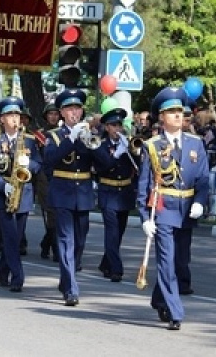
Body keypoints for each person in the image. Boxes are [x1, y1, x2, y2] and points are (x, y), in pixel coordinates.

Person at [137, 87, 209, 330]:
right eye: (172, 112)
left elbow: (203, 180)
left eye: (180, 111)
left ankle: (159, 299)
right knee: (167, 263)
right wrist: (145, 217)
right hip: (164, 210)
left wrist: (200, 201)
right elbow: (145, 185)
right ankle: (176, 311)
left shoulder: (196, 144)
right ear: (161, 117)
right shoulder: (152, 146)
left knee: (180, 262)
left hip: (187, 209)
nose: (178, 116)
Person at [0, 97, 42, 292]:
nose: (15, 119)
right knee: (9, 238)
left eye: (17, 115)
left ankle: (1, 271)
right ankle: (18, 277)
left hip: (24, 194)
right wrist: (2, 186)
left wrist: (28, 165)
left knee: (15, 239)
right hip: (4, 194)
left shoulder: (30, 140)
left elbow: (39, 164)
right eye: (10, 115)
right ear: (1, 119)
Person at [43, 89, 96, 306]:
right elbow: (50, 160)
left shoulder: (89, 133)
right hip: (63, 192)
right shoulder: (53, 136)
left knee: (80, 241)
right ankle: (71, 289)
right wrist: (71, 139)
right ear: (62, 112)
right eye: (69, 109)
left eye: (77, 108)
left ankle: (67, 278)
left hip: (82, 192)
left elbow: (99, 161)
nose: (74, 112)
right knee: (66, 241)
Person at [93, 108, 139, 283]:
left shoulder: (128, 144)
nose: (117, 129)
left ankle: (106, 262)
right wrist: (117, 155)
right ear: (106, 127)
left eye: (119, 125)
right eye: (113, 125)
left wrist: (132, 151)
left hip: (124, 193)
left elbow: (138, 165)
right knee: (112, 232)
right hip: (108, 192)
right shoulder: (100, 145)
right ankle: (115, 269)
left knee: (119, 233)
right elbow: (102, 167)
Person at [36, 103, 61, 261]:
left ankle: (47, 243)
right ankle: (55, 247)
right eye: (50, 114)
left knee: (58, 211)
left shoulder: (62, 133)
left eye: (56, 114)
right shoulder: (40, 134)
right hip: (44, 176)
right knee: (50, 212)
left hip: (59, 174)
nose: (53, 117)